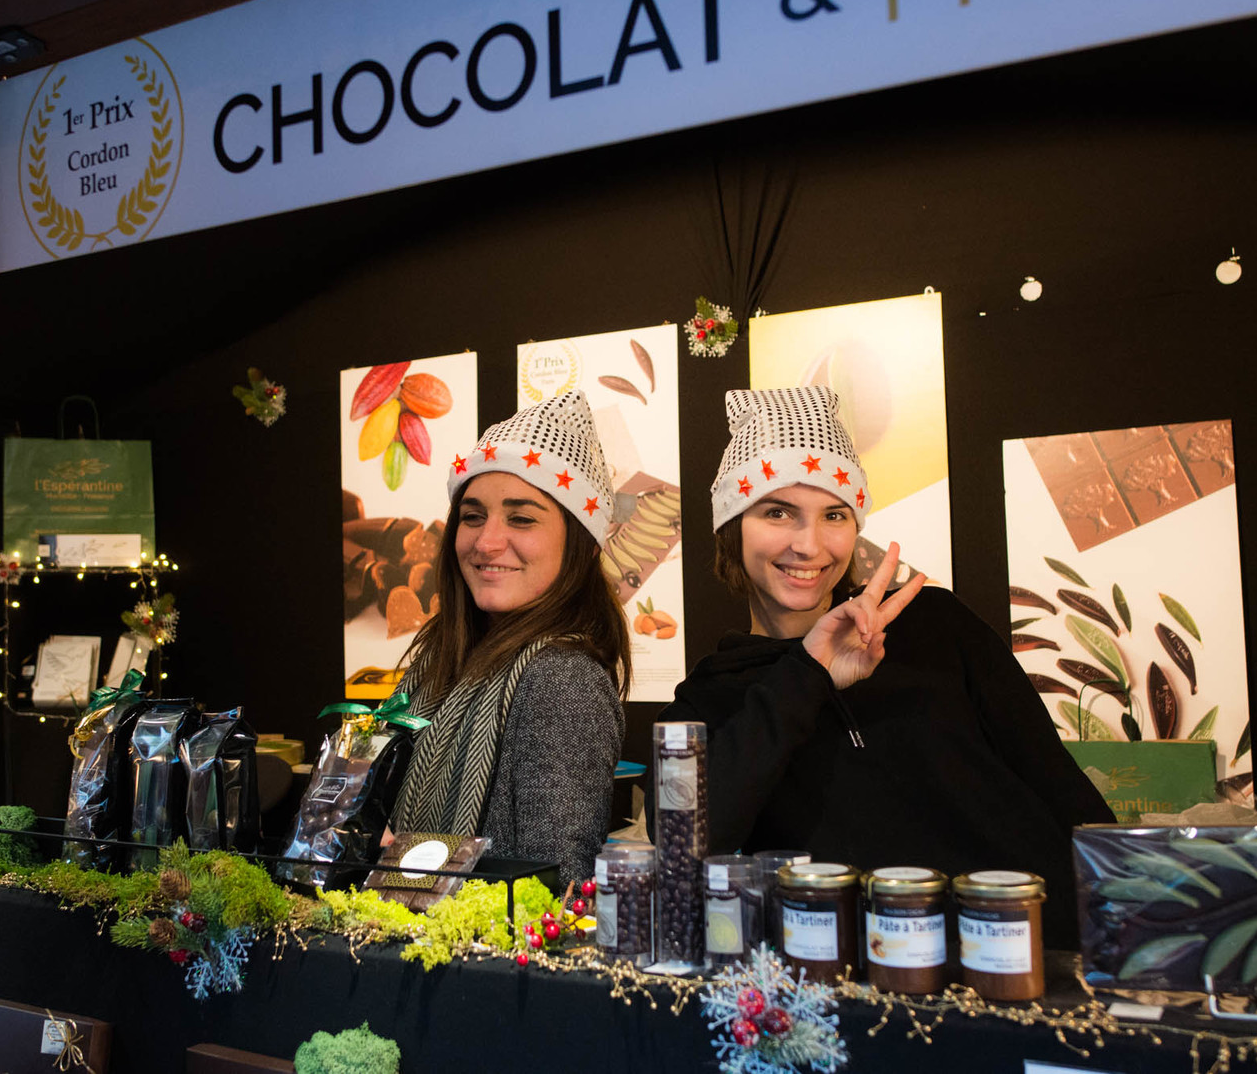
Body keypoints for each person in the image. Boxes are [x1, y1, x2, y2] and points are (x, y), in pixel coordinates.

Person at [654, 385, 1114, 948]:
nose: (810, 544)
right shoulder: (710, 698)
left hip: (1034, 956)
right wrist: (808, 676)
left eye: (834, 514)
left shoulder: (935, 624)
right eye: (777, 512)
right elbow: (683, 850)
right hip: (862, 986)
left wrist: (1134, 914)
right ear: (732, 526)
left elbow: (1057, 784)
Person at [390, 390, 630, 887]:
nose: (485, 541)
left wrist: (406, 863)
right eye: (473, 516)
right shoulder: (439, 664)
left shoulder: (562, 679)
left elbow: (552, 889)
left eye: (521, 518)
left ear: (580, 544)